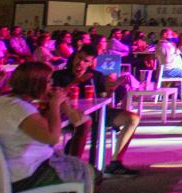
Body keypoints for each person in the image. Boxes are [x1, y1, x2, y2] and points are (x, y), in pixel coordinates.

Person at [0, 62, 96, 193]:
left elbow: (39, 126)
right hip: (24, 175)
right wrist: (55, 105)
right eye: (49, 81)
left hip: (14, 168)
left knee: (81, 170)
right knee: (91, 174)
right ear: (36, 84)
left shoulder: (6, 102)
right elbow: (52, 137)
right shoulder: (19, 109)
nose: (51, 84)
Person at [51, 49, 141, 177]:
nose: (80, 62)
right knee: (83, 123)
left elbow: (104, 100)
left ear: (90, 63)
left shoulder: (95, 76)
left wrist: (111, 90)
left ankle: (116, 162)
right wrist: (77, 82)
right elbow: (55, 96)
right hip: (69, 114)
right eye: (79, 58)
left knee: (133, 119)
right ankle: (72, 166)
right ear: (73, 57)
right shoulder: (59, 75)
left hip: (96, 113)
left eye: (85, 61)